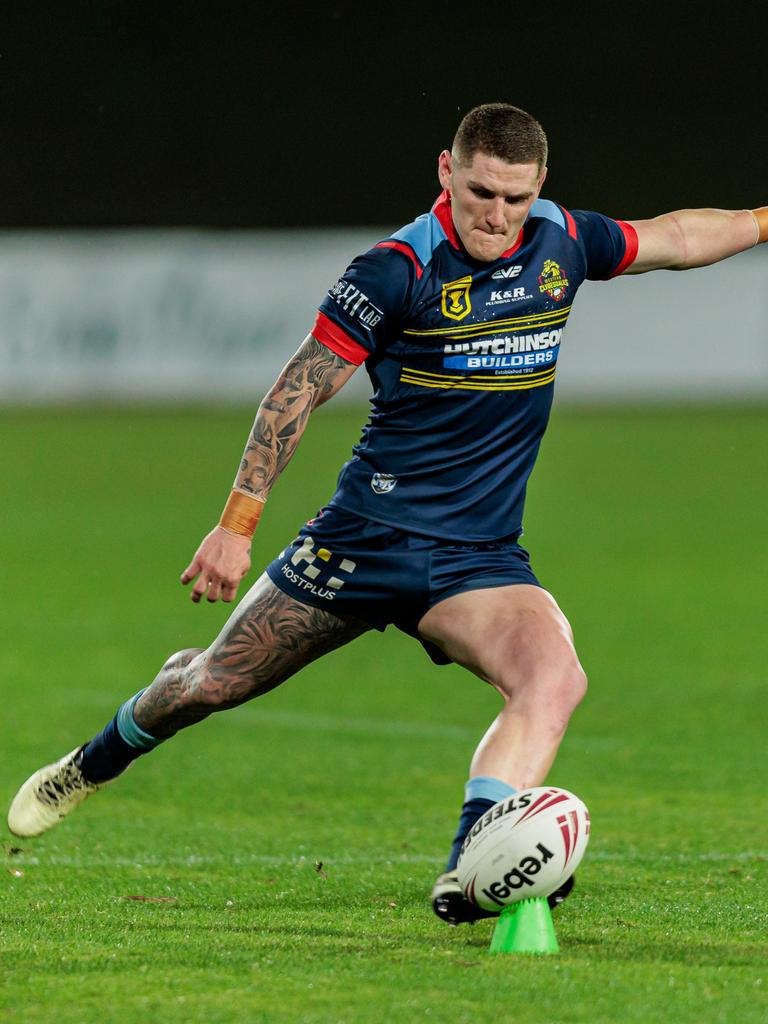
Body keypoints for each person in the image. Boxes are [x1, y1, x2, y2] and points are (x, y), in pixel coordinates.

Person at [9, 103, 767, 926]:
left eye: (515, 198)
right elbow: (294, 392)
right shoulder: (396, 268)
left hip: (479, 559)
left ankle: (472, 868)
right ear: (446, 171)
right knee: (208, 685)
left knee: (554, 677)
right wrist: (235, 523)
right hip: (363, 545)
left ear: (539, 185)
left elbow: (681, 238)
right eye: (481, 191)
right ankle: (89, 764)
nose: (497, 215)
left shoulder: (564, 241)